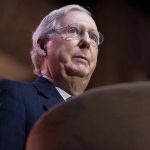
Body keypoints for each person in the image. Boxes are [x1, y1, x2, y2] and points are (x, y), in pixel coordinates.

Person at [0, 4, 104, 150]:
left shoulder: (97, 124)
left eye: (93, 37)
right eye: (73, 31)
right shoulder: (16, 94)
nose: (87, 42)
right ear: (43, 45)